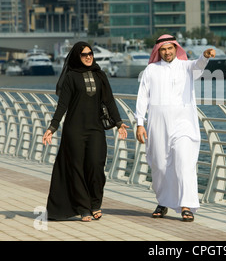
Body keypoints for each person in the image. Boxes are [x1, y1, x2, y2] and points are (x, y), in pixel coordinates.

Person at [42, 41, 128, 222]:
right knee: (77, 168)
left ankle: (96, 202)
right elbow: (62, 105)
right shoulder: (71, 77)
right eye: (84, 54)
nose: (88, 57)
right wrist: (52, 127)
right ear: (77, 57)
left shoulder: (100, 75)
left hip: (95, 129)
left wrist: (119, 123)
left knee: (96, 165)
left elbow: (109, 101)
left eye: (90, 53)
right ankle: (84, 208)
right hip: (74, 130)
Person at [135, 34, 216, 222]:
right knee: (161, 166)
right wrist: (140, 123)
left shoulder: (186, 66)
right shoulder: (150, 70)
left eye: (170, 48)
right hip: (158, 126)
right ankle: (163, 202)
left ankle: (186, 206)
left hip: (183, 125)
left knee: (184, 163)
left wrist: (205, 56)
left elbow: (198, 65)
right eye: (163, 49)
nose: (167, 52)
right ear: (158, 51)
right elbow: (142, 98)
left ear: (176, 48)